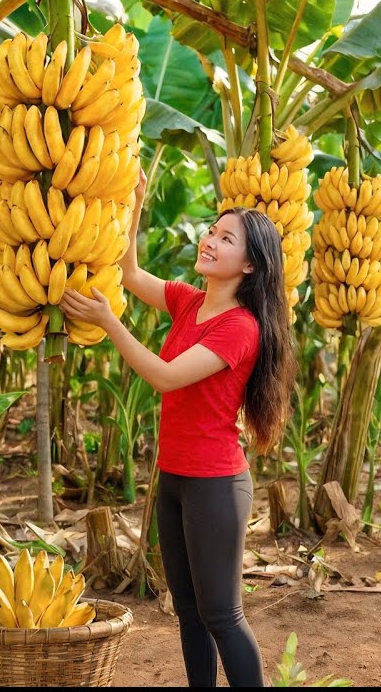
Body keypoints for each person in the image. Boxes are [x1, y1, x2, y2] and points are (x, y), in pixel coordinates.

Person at [60, 173, 295, 687]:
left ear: (249, 264)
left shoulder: (240, 327)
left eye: (226, 239)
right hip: (174, 480)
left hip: (215, 486)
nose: (209, 241)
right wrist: (136, 202)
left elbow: (166, 377)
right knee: (187, 611)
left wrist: (110, 323)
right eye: (212, 231)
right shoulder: (190, 301)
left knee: (222, 615)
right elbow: (129, 272)